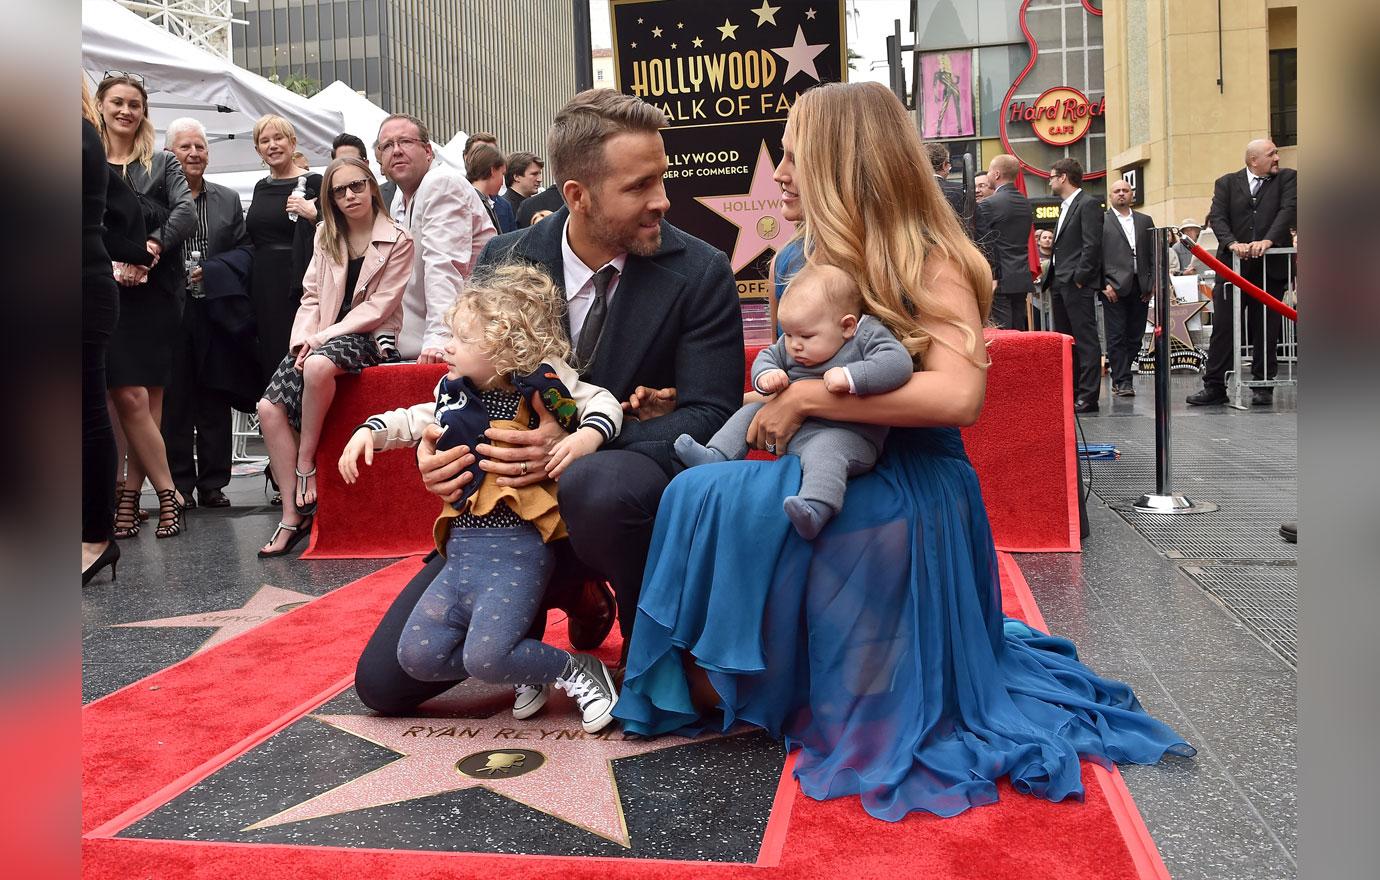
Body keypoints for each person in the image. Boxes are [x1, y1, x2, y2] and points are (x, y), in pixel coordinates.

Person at [611, 80, 1192, 821]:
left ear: (843, 164)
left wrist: (811, 398)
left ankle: (748, 678)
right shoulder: (800, 259)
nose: (780, 172)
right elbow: (788, 374)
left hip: (915, 476)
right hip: (839, 461)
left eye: (794, 157)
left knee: (722, 494)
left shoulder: (931, 256)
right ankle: (716, 676)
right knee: (696, 489)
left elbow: (959, 399)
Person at [353, 88, 743, 717]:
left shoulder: (700, 270)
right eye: (640, 186)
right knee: (385, 684)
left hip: (623, 514)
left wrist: (579, 442)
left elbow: (713, 417)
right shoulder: (506, 258)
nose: (663, 201)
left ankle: (651, 637)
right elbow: (468, 390)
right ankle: (580, 594)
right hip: (508, 528)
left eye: (661, 179)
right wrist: (440, 457)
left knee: (598, 485)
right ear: (577, 195)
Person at [340, 265, 625, 731]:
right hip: (462, 551)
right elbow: (418, 418)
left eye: (462, 339)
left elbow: (602, 402)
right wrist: (370, 431)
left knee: (488, 655)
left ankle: (575, 670)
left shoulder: (544, 386)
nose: (447, 346)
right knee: (417, 654)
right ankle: (527, 668)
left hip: (517, 550)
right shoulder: (453, 390)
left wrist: (584, 439)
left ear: (506, 349)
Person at [675, 262, 913, 539]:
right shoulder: (793, 344)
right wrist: (767, 375)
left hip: (849, 436)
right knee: (751, 411)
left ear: (846, 326)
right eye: (787, 334)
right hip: (795, 430)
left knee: (827, 451)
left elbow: (897, 363)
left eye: (806, 336)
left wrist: (851, 376)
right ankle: (716, 455)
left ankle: (816, 507)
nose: (794, 345)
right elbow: (768, 356)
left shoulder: (865, 335)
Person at [256, 157, 413, 557]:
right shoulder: (325, 234)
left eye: (356, 186)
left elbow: (377, 308)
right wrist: (302, 338)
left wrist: (322, 338)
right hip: (318, 334)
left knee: (319, 364)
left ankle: (306, 463)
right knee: (268, 408)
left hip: (364, 337)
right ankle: (292, 516)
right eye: (339, 190)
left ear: (372, 187)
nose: (349, 196)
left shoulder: (399, 239)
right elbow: (311, 295)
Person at [97, 71, 196, 540]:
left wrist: (152, 247)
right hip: (104, 289)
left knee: (149, 403)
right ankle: (168, 492)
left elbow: (185, 210)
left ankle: (130, 498)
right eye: (117, 102)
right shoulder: (85, 158)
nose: (125, 111)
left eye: (134, 104)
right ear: (100, 106)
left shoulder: (161, 162)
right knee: (128, 396)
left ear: (143, 113)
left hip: (157, 290)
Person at [161, 118, 250, 509]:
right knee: (175, 399)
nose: (194, 153)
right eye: (185, 147)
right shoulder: (156, 198)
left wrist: (213, 271)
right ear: (169, 154)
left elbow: (246, 251)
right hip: (169, 307)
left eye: (200, 147)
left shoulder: (228, 199)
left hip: (214, 309)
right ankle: (179, 483)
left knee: (214, 395)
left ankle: (214, 483)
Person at [375, 113, 496, 363]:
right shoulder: (400, 198)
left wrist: (439, 338)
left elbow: (444, 265)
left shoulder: (441, 183)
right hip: (417, 338)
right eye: (387, 145)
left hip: (464, 337)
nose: (396, 151)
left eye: (405, 142)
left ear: (428, 151)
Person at [1187, 139, 1298, 407]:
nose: (1277, 158)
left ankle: (1263, 385)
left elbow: (1288, 211)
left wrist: (1268, 241)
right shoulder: (1226, 183)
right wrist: (1231, 243)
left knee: (1266, 327)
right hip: (1232, 269)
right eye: (1272, 154)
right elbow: (1219, 217)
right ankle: (1214, 386)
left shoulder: (1287, 179)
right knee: (1224, 327)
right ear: (1253, 160)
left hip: (1269, 269)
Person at [83, 78, 137, 582]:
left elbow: (132, 212)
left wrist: (141, 252)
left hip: (78, 287)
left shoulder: (77, 136)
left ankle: (96, 539)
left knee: (85, 413)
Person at [245, 115, 323, 385]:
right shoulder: (260, 187)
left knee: (299, 354)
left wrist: (314, 214)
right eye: (264, 141)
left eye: (278, 138)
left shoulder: (314, 182)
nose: (272, 145)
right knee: (269, 354)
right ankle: (273, 421)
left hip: (300, 282)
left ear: (292, 143)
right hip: (263, 284)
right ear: (258, 150)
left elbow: (337, 230)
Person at [1041, 157, 1104, 413]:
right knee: (1067, 340)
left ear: (1063, 177)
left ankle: (1088, 396)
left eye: (1052, 176)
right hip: (1059, 280)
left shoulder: (1087, 204)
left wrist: (1079, 278)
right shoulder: (1066, 206)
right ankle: (1073, 391)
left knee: (1085, 339)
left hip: (1075, 283)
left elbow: (1092, 245)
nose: (1050, 181)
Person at [1101, 179, 1155, 398]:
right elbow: (1096, 255)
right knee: (1116, 335)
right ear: (1110, 196)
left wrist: (1150, 284)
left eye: (1125, 190)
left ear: (1132, 194)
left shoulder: (1145, 221)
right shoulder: (1102, 221)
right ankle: (1123, 381)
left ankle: (1119, 371)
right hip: (1113, 286)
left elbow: (1152, 253)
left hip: (1140, 285)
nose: (1121, 194)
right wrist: (1103, 284)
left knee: (1135, 335)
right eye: (1117, 191)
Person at [979, 154, 1035, 330]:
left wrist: (992, 276)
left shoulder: (989, 204)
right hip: (1021, 278)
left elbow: (984, 242)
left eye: (988, 171)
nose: (987, 176)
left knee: (1003, 333)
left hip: (1000, 280)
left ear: (996, 174)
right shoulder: (1025, 203)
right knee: (1018, 330)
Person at [466, 142, 517, 234]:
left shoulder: (484, 201)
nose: (502, 182)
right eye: (502, 174)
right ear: (493, 170)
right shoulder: (470, 202)